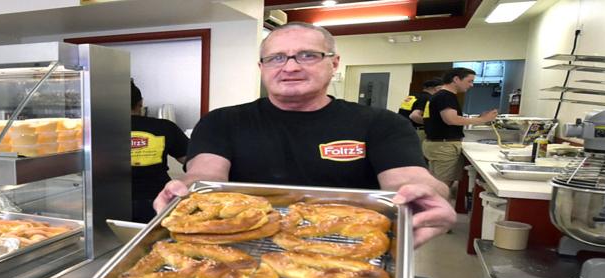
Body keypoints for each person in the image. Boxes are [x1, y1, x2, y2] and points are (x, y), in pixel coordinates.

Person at [152, 22, 454, 246]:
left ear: (333, 63)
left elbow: (408, 180)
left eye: (308, 55)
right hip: (241, 247)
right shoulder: (222, 121)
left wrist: (429, 194)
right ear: (262, 67)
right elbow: (205, 177)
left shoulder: (381, 123)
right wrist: (183, 189)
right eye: (277, 58)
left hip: (348, 251)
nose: (290, 67)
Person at [420, 67, 498, 199]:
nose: (471, 85)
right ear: (456, 79)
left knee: (436, 182)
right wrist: (482, 120)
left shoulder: (440, 95)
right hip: (444, 146)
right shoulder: (446, 96)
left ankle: (429, 210)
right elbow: (451, 119)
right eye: (469, 81)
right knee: (442, 185)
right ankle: (433, 214)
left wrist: (479, 118)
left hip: (436, 144)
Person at [129, 81, 190, 223]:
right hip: (159, 199)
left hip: (108, 201)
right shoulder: (164, 127)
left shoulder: (95, 130)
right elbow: (190, 160)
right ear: (141, 103)